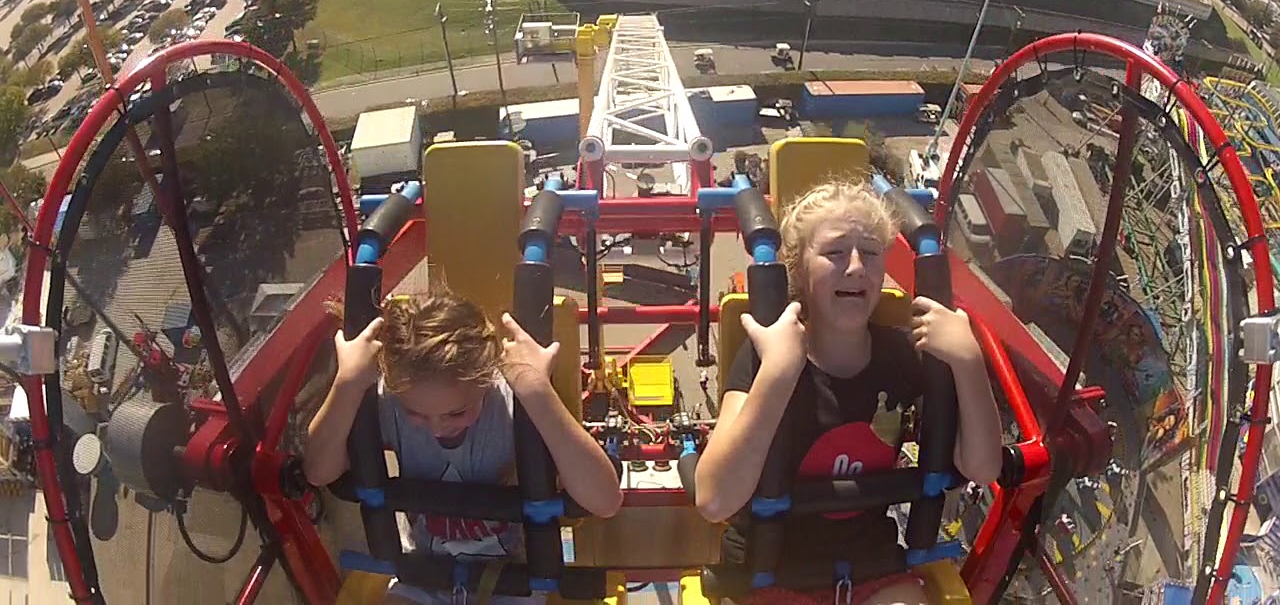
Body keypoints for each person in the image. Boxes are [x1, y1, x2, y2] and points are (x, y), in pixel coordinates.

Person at [694, 179, 1003, 605]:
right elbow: (714, 499)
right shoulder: (767, 355)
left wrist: (969, 362)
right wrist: (779, 374)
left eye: (871, 253)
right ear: (798, 269)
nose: (856, 266)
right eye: (835, 253)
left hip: (870, 570)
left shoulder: (902, 356)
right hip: (771, 573)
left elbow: (983, 468)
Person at [303, 290, 623, 604]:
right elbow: (319, 472)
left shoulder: (516, 407)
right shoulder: (392, 400)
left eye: (456, 413)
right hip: (422, 575)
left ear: (486, 379)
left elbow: (605, 501)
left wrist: (536, 389)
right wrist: (347, 383)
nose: (437, 427)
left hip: (512, 579)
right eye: (417, 413)